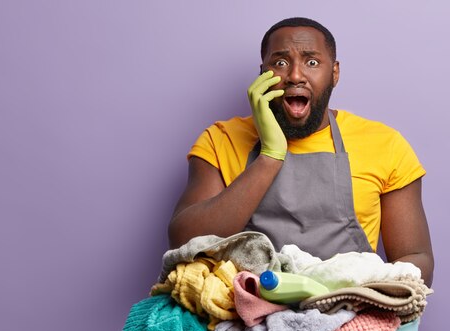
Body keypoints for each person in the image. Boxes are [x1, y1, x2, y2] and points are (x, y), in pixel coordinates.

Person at [168, 17, 434, 287]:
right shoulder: (220, 140)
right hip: (245, 309)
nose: (295, 75)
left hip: (352, 311)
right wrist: (270, 156)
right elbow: (184, 243)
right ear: (263, 73)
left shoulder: (385, 144)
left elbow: (416, 257)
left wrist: (358, 299)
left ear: (335, 73)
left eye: (312, 62)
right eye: (280, 63)